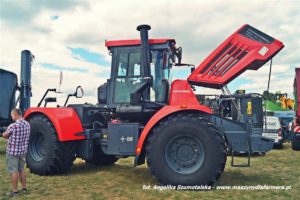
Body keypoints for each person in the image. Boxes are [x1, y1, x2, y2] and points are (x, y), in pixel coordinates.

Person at [2, 108, 30, 198]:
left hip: (12, 152)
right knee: (21, 169)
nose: (11, 117)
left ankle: (15, 192)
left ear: (15, 114)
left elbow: (5, 135)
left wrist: (3, 133)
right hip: (23, 151)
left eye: (12, 115)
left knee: (13, 171)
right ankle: (24, 188)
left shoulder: (13, 126)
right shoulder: (27, 124)